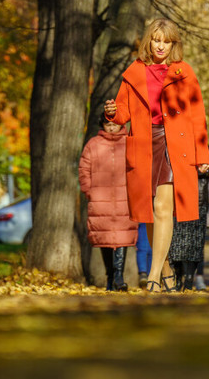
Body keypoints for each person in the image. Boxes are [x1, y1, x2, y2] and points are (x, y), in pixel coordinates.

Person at [104, 17, 209, 292]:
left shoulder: (183, 72)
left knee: (165, 208)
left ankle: (152, 276)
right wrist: (112, 112)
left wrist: (203, 156)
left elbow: (197, 115)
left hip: (174, 144)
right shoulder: (134, 71)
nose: (161, 46)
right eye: (156, 40)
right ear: (148, 41)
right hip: (143, 143)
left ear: (173, 43)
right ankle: (166, 271)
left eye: (167, 41)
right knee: (149, 213)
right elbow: (123, 112)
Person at [79, 118, 138, 291]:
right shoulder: (93, 144)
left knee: (122, 237)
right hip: (100, 198)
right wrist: (88, 190)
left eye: (114, 125)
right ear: (102, 126)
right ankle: (110, 276)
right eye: (108, 125)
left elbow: (138, 168)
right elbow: (84, 168)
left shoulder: (129, 142)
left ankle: (119, 276)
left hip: (124, 197)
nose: (111, 128)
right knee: (104, 239)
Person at [168, 168, 209, 291]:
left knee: (195, 243)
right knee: (176, 242)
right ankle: (178, 277)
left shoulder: (202, 148)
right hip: (178, 198)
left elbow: (204, 169)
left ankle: (189, 279)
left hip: (198, 200)